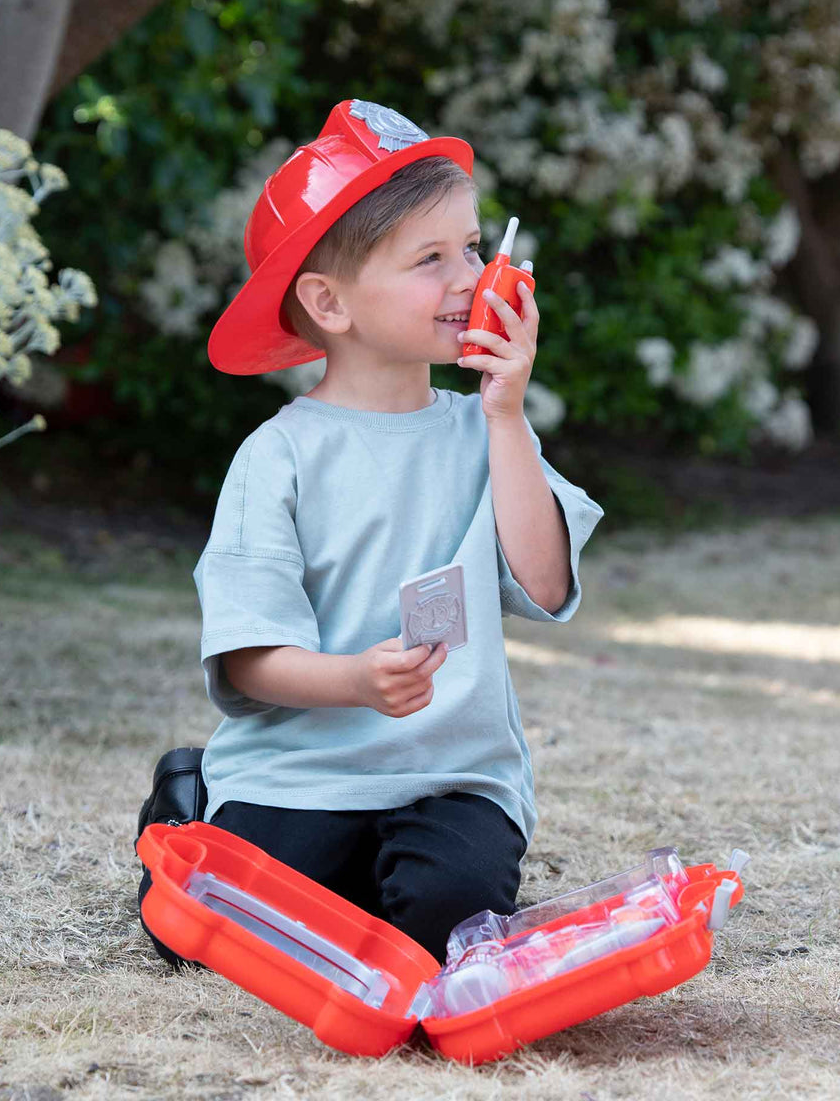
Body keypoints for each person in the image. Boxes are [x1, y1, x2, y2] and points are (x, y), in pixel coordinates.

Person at [136, 99, 603, 967]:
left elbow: (544, 584)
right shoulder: (276, 457)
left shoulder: (483, 432)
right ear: (329, 301)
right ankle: (191, 793)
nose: (470, 277)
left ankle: (389, 884)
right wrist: (355, 679)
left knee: (443, 932)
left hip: (452, 777)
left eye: (472, 247)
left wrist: (507, 415)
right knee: (221, 938)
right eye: (430, 259)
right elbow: (248, 660)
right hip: (299, 770)